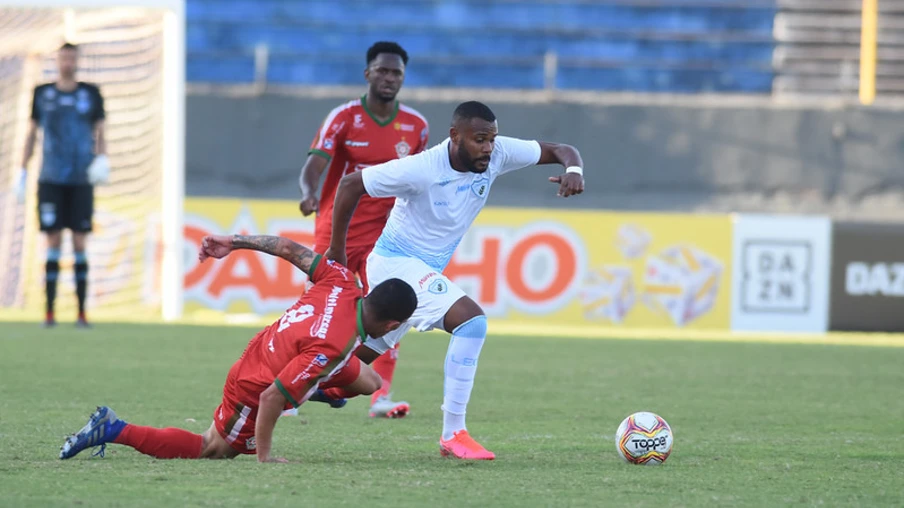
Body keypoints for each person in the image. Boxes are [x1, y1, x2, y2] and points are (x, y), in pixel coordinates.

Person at [323, 100, 585, 460]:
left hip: (421, 269)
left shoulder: (497, 153)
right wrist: (336, 252)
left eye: (492, 139)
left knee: (356, 364)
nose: (489, 148)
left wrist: (574, 168)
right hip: (395, 265)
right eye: (479, 140)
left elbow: (559, 149)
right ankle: (453, 433)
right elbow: (351, 184)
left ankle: (302, 386)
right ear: (454, 136)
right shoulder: (421, 168)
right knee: (472, 322)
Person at [58, 234, 417, 462]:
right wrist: (265, 457)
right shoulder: (334, 347)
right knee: (212, 448)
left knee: (369, 383)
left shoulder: (343, 280)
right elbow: (271, 400)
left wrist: (235, 242)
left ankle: (311, 386)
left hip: (278, 351)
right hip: (255, 382)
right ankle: (113, 428)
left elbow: (290, 248)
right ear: (390, 325)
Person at [293, 41, 429, 419]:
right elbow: (314, 166)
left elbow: (418, 180)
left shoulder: (416, 126)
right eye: (382, 71)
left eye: (396, 72)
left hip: (386, 239)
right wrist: (309, 193)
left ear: (403, 77)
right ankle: (292, 389)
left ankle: (379, 395)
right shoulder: (344, 117)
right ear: (368, 73)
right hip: (335, 233)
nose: (389, 78)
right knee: (317, 312)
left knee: (392, 311)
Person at [16, 42, 110, 328]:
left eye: (72, 57)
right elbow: (32, 133)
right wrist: (22, 171)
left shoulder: (90, 94)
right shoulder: (42, 94)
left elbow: (100, 130)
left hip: (81, 180)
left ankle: (81, 313)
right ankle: (49, 313)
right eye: (63, 57)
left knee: (80, 242)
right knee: (53, 240)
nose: (67, 62)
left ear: (77, 61)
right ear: (57, 61)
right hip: (51, 180)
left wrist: (102, 159)